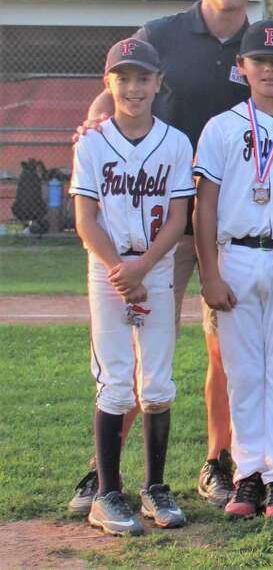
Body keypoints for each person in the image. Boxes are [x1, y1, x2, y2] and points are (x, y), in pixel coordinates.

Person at [71, 0, 273, 514]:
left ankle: (220, 462)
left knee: (224, 349)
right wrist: (93, 126)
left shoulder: (261, 41)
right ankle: (104, 468)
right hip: (164, 216)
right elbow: (114, 88)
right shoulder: (162, 35)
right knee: (141, 344)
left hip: (228, 221)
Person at [192, 20, 273, 519]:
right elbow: (204, 207)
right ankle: (248, 472)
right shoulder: (221, 127)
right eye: (259, 61)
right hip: (238, 255)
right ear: (242, 67)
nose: (269, 69)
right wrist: (209, 272)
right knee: (244, 373)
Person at [70, 39, 195, 536]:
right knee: (116, 381)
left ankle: (155, 487)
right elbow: (85, 218)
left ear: (158, 83)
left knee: (158, 383)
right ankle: (107, 492)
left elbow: (180, 217)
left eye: (143, 77)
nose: (134, 86)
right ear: (109, 84)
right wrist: (120, 270)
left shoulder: (177, 142)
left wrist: (143, 266)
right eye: (123, 77)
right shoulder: (93, 142)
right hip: (108, 270)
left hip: (156, 266)